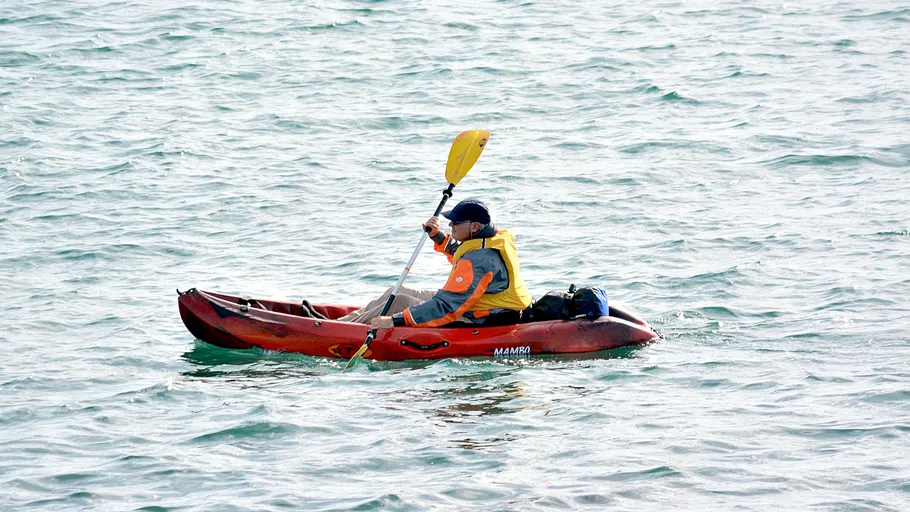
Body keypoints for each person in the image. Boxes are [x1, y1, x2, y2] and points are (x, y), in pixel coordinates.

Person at [337, 199, 532, 329]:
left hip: (482, 317)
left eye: (456, 223)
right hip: (483, 304)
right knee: (397, 290)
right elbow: (460, 253)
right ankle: (342, 323)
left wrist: (395, 320)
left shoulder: (478, 261)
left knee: (400, 302)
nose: (450, 225)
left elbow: (447, 306)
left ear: (475, 227)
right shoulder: (493, 238)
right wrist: (437, 237)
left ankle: (345, 329)